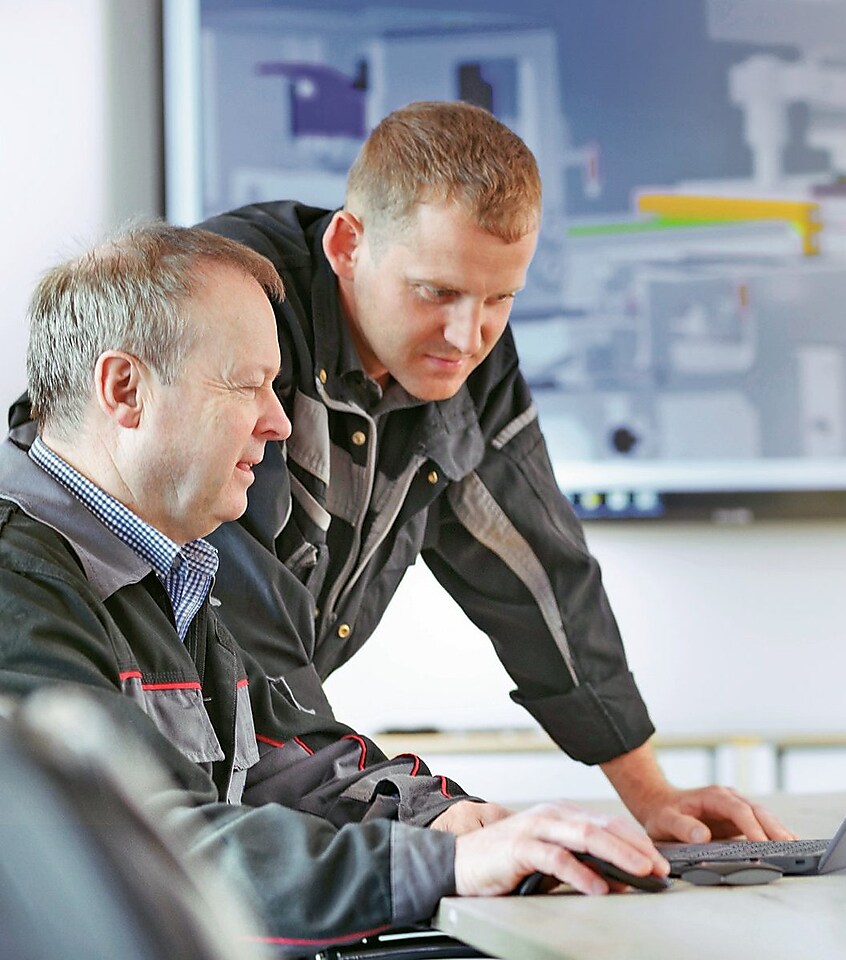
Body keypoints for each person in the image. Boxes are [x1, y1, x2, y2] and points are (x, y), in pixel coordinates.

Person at [0, 223, 667, 948]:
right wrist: (440, 863)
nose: (278, 421)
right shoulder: (20, 584)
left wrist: (439, 819)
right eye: (248, 384)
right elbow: (154, 852)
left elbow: (279, 759)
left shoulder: (164, 571)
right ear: (125, 389)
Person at [184, 99, 793, 845]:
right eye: (435, 292)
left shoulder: (457, 358)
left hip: (260, 761)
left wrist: (653, 797)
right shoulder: (231, 311)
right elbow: (232, 620)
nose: (467, 336)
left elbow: (539, 570)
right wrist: (439, 822)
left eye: (500, 298)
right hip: (136, 753)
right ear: (348, 244)